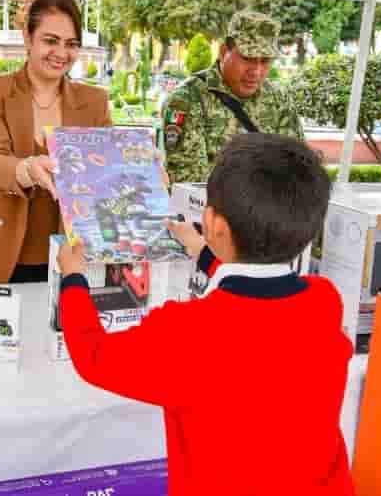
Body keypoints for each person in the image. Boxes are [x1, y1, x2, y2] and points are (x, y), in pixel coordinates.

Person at [57, 133, 353, 495]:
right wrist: (203, 250)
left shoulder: (185, 332)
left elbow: (94, 356)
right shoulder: (324, 301)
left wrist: (73, 277)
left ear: (212, 222)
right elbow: (257, 298)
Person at [0, 0, 112, 285]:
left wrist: (141, 167)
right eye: (50, 40)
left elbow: (108, 166)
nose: (61, 53)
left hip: (69, 260)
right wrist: (27, 169)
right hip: (0, 253)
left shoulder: (94, 101)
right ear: (28, 38)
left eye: (71, 44)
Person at [161, 10, 303, 184]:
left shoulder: (279, 99)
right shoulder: (187, 100)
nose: (256, 71)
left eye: (265, 61)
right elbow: (191, 183)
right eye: (247, 58)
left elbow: (298, 168)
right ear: (223, 52)